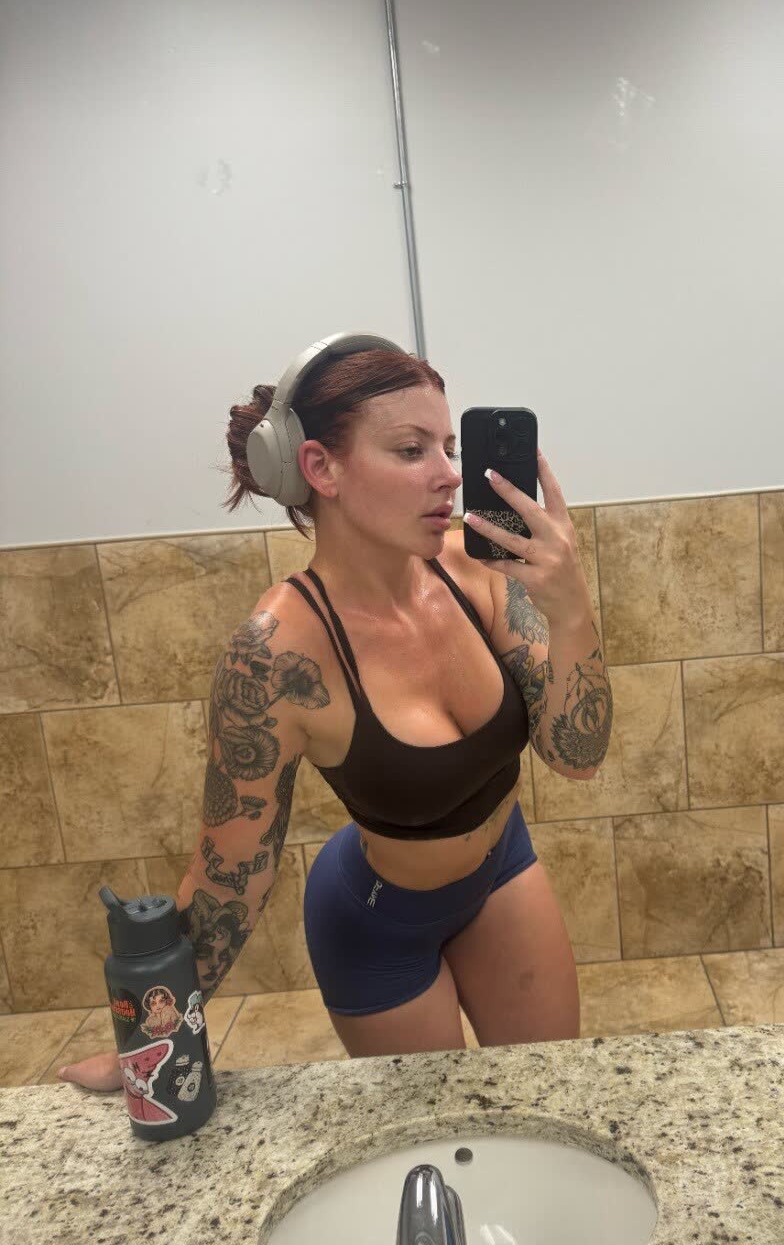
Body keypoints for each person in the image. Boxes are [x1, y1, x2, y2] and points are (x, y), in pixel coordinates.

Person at [60, 342, 611, 1092]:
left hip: (501, 870)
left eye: (448, 448)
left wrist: (572, 611)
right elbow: (228, 881)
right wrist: (145, 1041)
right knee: (442, 1132)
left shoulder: (477, 568)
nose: (449, 474)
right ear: (322, 468)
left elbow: (577, 755)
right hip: (377, 923)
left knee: (549, 1095)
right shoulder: (275, 655)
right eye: (412, 450)